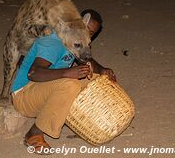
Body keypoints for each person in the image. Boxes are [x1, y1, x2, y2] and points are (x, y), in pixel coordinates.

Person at [11, 9, 115, 154]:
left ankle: (82, 123)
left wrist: (102, 70)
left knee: (98, 80)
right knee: (69, 85)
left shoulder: (75, 39)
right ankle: (33, 135)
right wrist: (67, 72)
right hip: (24, 94)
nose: (87, 34)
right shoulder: (53, 42)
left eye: (91, 33)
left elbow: (85, 59)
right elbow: (33, 73)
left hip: (44, 89)